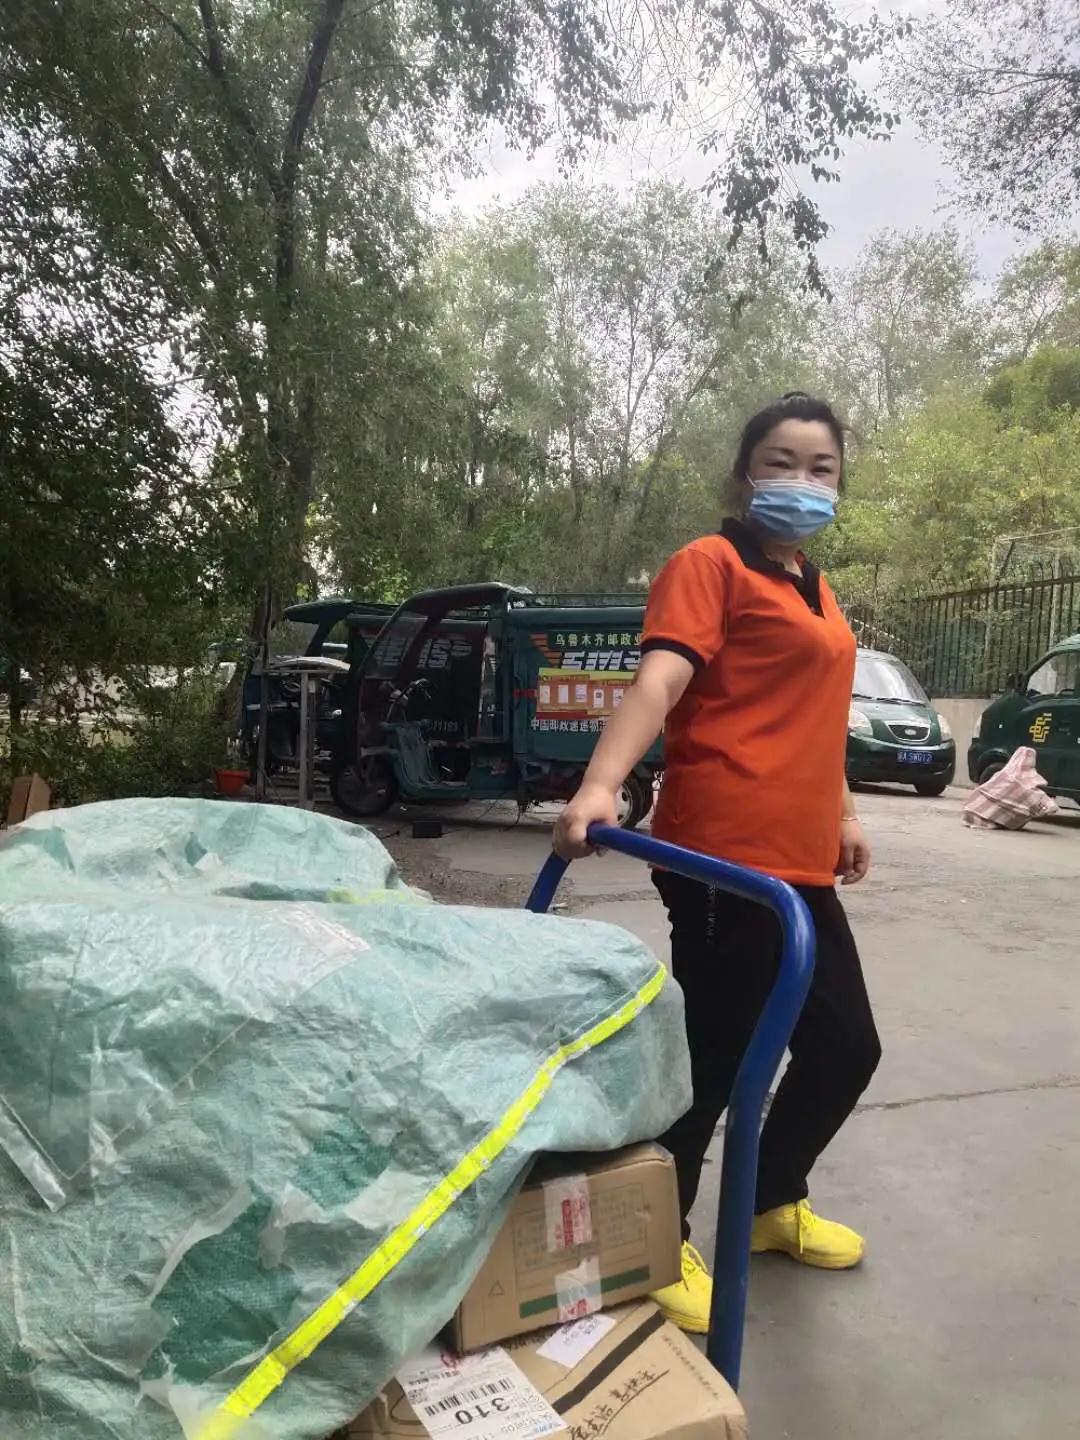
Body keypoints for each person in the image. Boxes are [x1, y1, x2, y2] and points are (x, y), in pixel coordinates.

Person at [553, 391, 881, 1334]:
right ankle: (653, 1245)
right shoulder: (710, 564)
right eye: (781, 462)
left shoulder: (815, 585)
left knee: (845, 1046)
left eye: (821, 468)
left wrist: (844, 812)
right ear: (744, 475)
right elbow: (661, 678)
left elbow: (816, 717)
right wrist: (600, 785)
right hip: (721, 856)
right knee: (716, 1053)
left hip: (799, 863)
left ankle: (771, 1200)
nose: (801, 481)